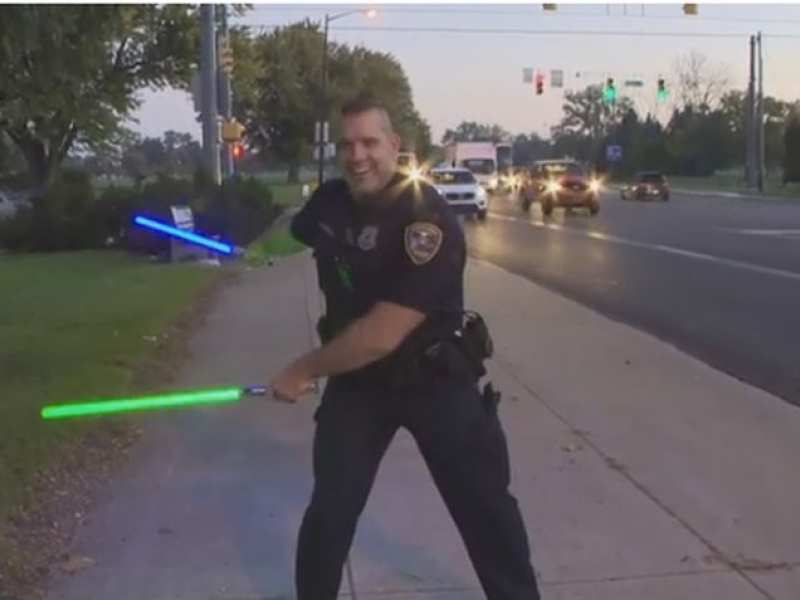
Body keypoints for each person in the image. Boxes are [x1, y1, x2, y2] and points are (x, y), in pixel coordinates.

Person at [268, 92, 542, 600]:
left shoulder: (425, 221)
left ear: (394, 146)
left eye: (369, 143)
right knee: (329, 514)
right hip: (358, 386)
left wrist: (302, 369)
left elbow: (382, 333)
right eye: (347, 145)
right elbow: (287, 234)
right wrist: (231, 241)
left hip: (433, 379)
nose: (357, 156)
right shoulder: (330, 203)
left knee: (486, 511)